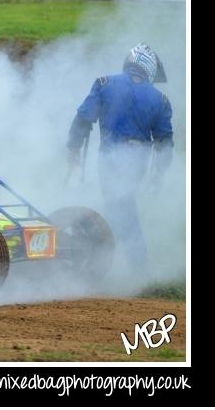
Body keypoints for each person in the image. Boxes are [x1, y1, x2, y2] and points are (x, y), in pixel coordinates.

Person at [67, 43, 172, 278]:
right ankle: (101, 262)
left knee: (122, 210)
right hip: (138, 163)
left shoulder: (104, 83)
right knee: (118, 206)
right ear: (150, 69)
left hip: (110, 158)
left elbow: (83, 119)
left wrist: (72, 148)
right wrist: (159, 174)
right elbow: (165, 144)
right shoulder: (161, 99)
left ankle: (136, 272)